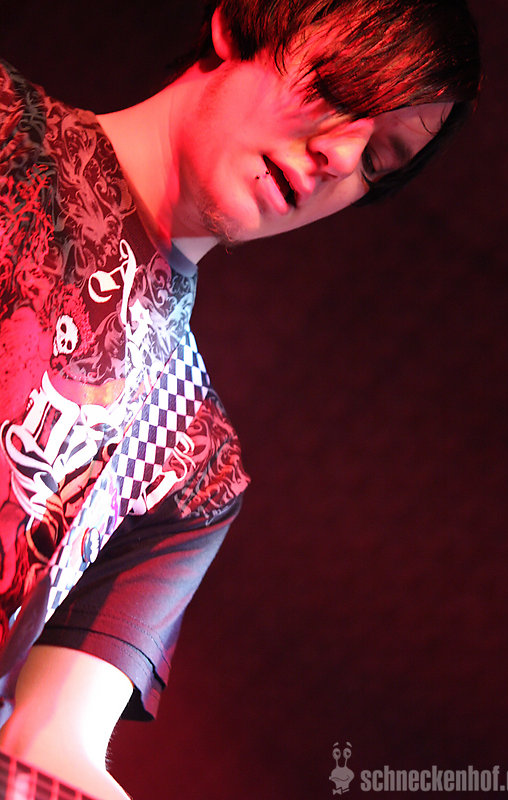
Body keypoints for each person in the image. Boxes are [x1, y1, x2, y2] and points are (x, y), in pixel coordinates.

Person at [0, 1, 480, 797]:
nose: (341, 155)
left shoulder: (196, 458)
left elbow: (52, 740)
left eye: (379, 159)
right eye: (341, 91)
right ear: (236, 24)